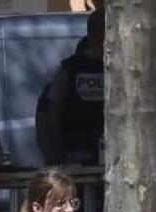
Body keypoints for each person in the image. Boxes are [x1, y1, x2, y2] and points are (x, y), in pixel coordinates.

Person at [44, 8, 103, 166]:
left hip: (78, 153)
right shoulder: (70, 69)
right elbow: (52, 114)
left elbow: (52, 113)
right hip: (80, 153)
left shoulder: (68, 69)